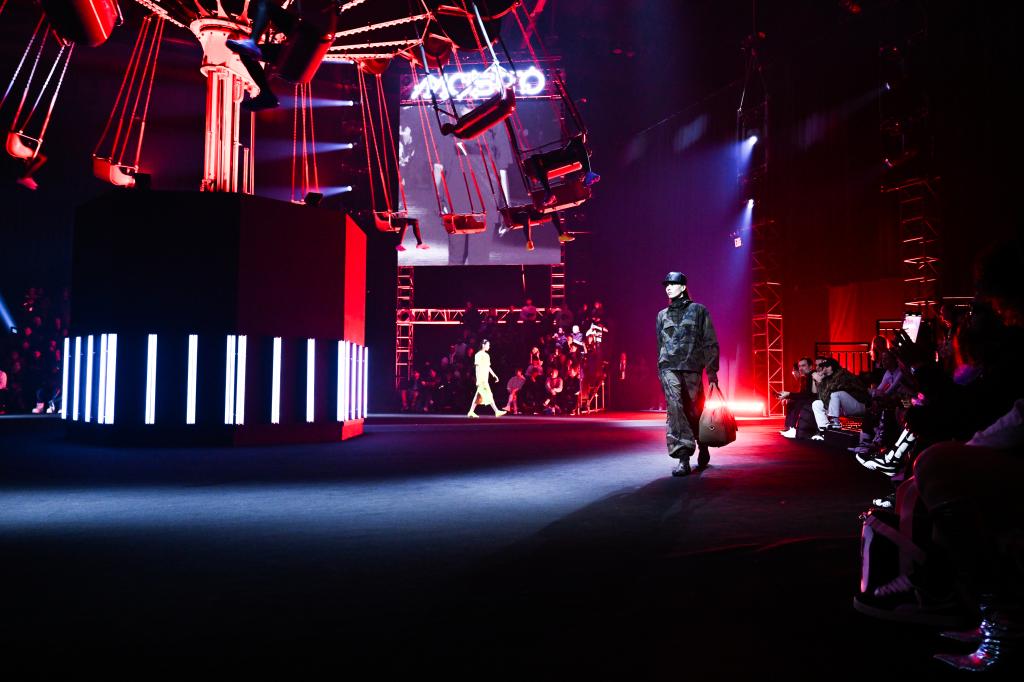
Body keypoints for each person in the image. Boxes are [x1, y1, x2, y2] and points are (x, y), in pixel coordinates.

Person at [656, 271, 720, 476]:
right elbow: (660, 344)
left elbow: (710, 342)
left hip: (692, 367)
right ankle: (683, 457)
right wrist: (661, 368)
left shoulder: (699, 310)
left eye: (673, 284)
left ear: (683, 287)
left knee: (694, 410)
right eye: (666, 284)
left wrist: (712, 374)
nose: (668, 287)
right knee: (675, 408)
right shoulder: (661, 315)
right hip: (669, 368)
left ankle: (703, 445)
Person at [467, 339, 506, 418]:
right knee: (489, 394)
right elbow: (477, 368)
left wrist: (494, 375)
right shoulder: (478, 355)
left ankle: (471, 412)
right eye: (488, 345)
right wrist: (478, 379)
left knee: (478, 397)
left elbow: (488, 367)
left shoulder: (487, 355)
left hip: (485, 379)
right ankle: (496, 411)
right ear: (483, 345)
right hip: (482, 379)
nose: (489, 346)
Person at [779, 356, 815, 438]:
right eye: (799, 366)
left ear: (810, 366)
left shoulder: (811, 375)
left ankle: (792, 428)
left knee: (798, 402)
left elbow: (807, 394)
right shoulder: (805, 378)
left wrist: (788, 394)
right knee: (793, 401)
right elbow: (802, 394)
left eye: (803, 365)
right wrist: (788, 396)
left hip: (815, 399)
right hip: (809, 398)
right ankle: (790, 427)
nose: (801, 368)